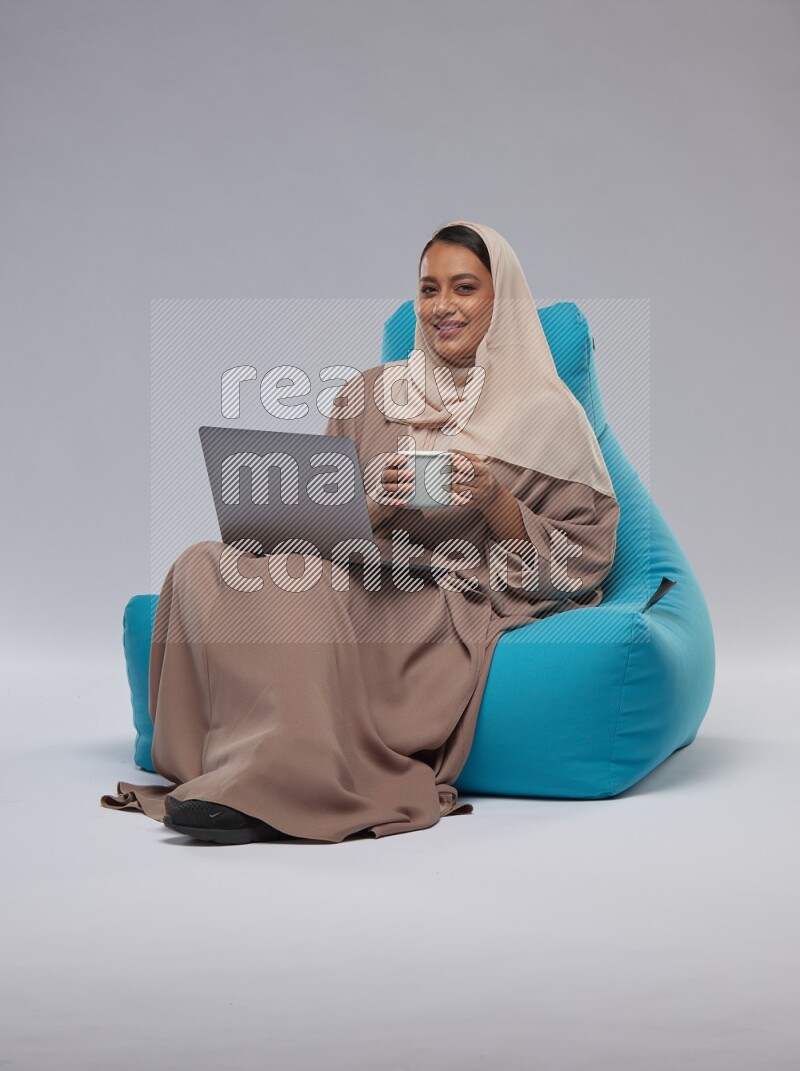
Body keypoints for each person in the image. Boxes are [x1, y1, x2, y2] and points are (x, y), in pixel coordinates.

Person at [101, 220, 620, 844]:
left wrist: (493, 500)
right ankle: (229, 762)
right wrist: (370, 503)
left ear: (500, 299)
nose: (443, 307)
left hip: (440, 596)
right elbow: (307, 531)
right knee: (203, 564)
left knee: (303, 592)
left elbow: (585, 561)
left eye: (465, 288)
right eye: (429, 290)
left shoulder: (545, 412)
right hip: (352, 569)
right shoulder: (368, 395)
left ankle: (276, 786)